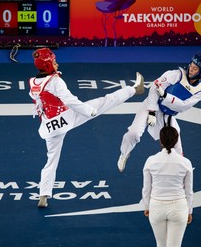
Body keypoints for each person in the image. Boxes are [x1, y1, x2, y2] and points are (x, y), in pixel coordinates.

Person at [29, 48, 145, 208]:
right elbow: (70, 101)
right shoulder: (55, 81)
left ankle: (43, 194)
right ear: (48, 65)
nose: (56, 63)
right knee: (104, 101)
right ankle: (134, 89)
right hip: (66, 118)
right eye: (53, 61)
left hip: (49, 127)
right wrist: (89, 111)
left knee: (51, 161)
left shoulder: (33, 83)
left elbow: (39, 104)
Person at [117, 53, 201, 172]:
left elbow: (183, 106)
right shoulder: (175, 75)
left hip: (167, 115)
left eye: (195, 68)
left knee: (176, 145)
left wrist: (166, 96)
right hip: (151, 105)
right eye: (191, 65)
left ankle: (180, 170)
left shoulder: (200, 91)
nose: (191, 69)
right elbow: (153, 88)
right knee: (134, 133)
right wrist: (152, 111)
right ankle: (124, 153)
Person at [142, 126, 193, 247]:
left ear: (160, 141)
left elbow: (146, 188)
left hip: (156, 207)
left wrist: (147, 206)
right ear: (176, 140)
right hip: (179, 208)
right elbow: (189, 190)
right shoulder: (185, 162)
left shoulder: (151, 161)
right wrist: (189, 210)